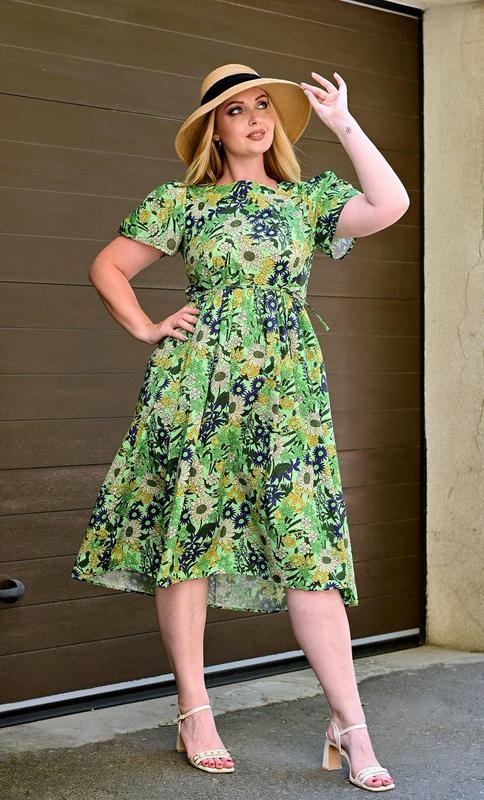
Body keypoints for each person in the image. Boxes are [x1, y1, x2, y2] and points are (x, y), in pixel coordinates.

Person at [71, 63, 409, 789]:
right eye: (236, 110)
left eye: (264, 106)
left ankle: (350, 726)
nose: (256, 118)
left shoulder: (306, 200)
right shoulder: (182, 202)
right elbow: (109, 266)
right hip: (195, 387)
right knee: (188, 539)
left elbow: (390, 203)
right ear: (213, 129)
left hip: (285, 395)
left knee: (307, 547)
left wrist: (343, 122)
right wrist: (146, 327)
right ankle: (195, 711)